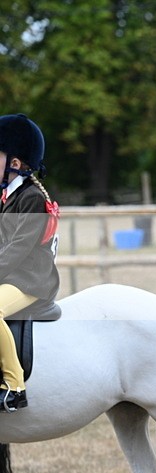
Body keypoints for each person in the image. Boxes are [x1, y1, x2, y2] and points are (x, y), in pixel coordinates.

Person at [0, 114, 60, 413]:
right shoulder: (6, 197)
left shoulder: (32, 198)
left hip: (30, 279)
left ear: (15, 163)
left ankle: (14, 387)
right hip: (12, 275)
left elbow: (18, 249)